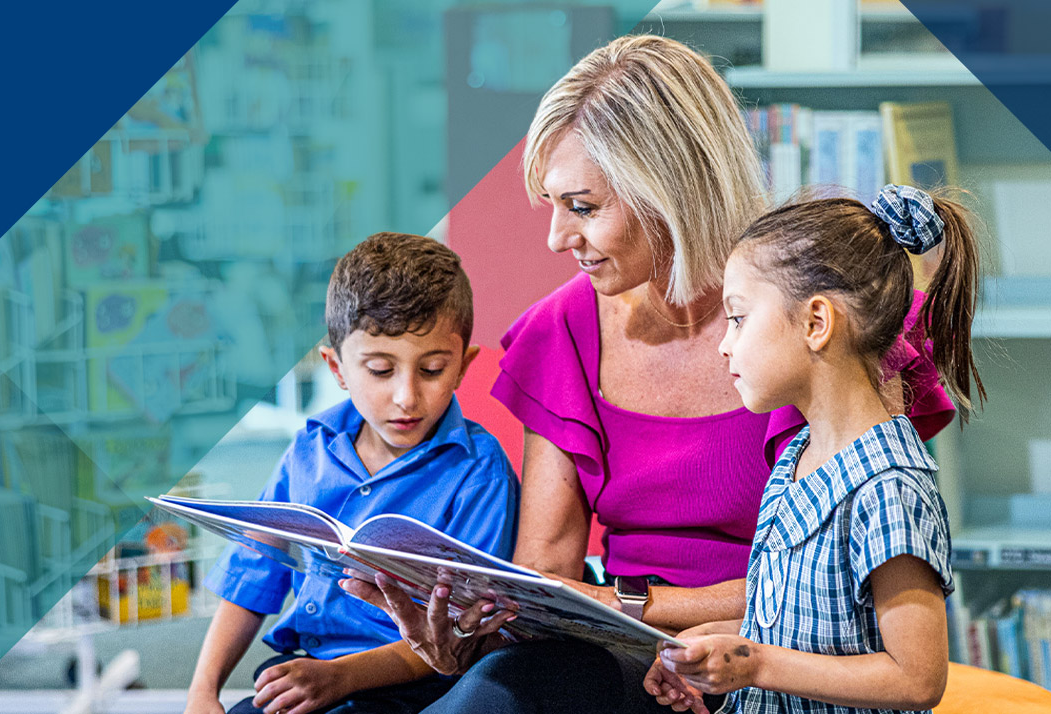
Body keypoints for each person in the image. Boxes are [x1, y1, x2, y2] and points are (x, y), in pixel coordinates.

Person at [342, 35, 956, 714]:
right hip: (632, 657)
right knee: (488, 693)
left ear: (670, 187)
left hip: (774, 662)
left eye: (582, 206)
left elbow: (841, 578)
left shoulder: (828, 320)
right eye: (552, 204)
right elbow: (547, 577)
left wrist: (635, 604)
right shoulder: (563, 329)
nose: (555, 238)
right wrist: (462, 633)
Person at [647, 185, 981, 713]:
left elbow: (916, 678)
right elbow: (805, 630)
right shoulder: (795, 456)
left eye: (738, 318)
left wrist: (755, 662)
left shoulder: (889, 486)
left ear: (816, 323)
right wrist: (711, 646)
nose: (724, 343)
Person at [186, 232, 520, 714]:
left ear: (463, 366)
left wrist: (340, 677)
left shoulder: (480, 472)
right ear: (337, 368)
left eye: (432, 370)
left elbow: (462, 635)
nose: (407, 397)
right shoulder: (309, 450)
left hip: (416, 679)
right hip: (308, 668)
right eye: (381, 371)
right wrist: (202, 691)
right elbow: (253, 571)